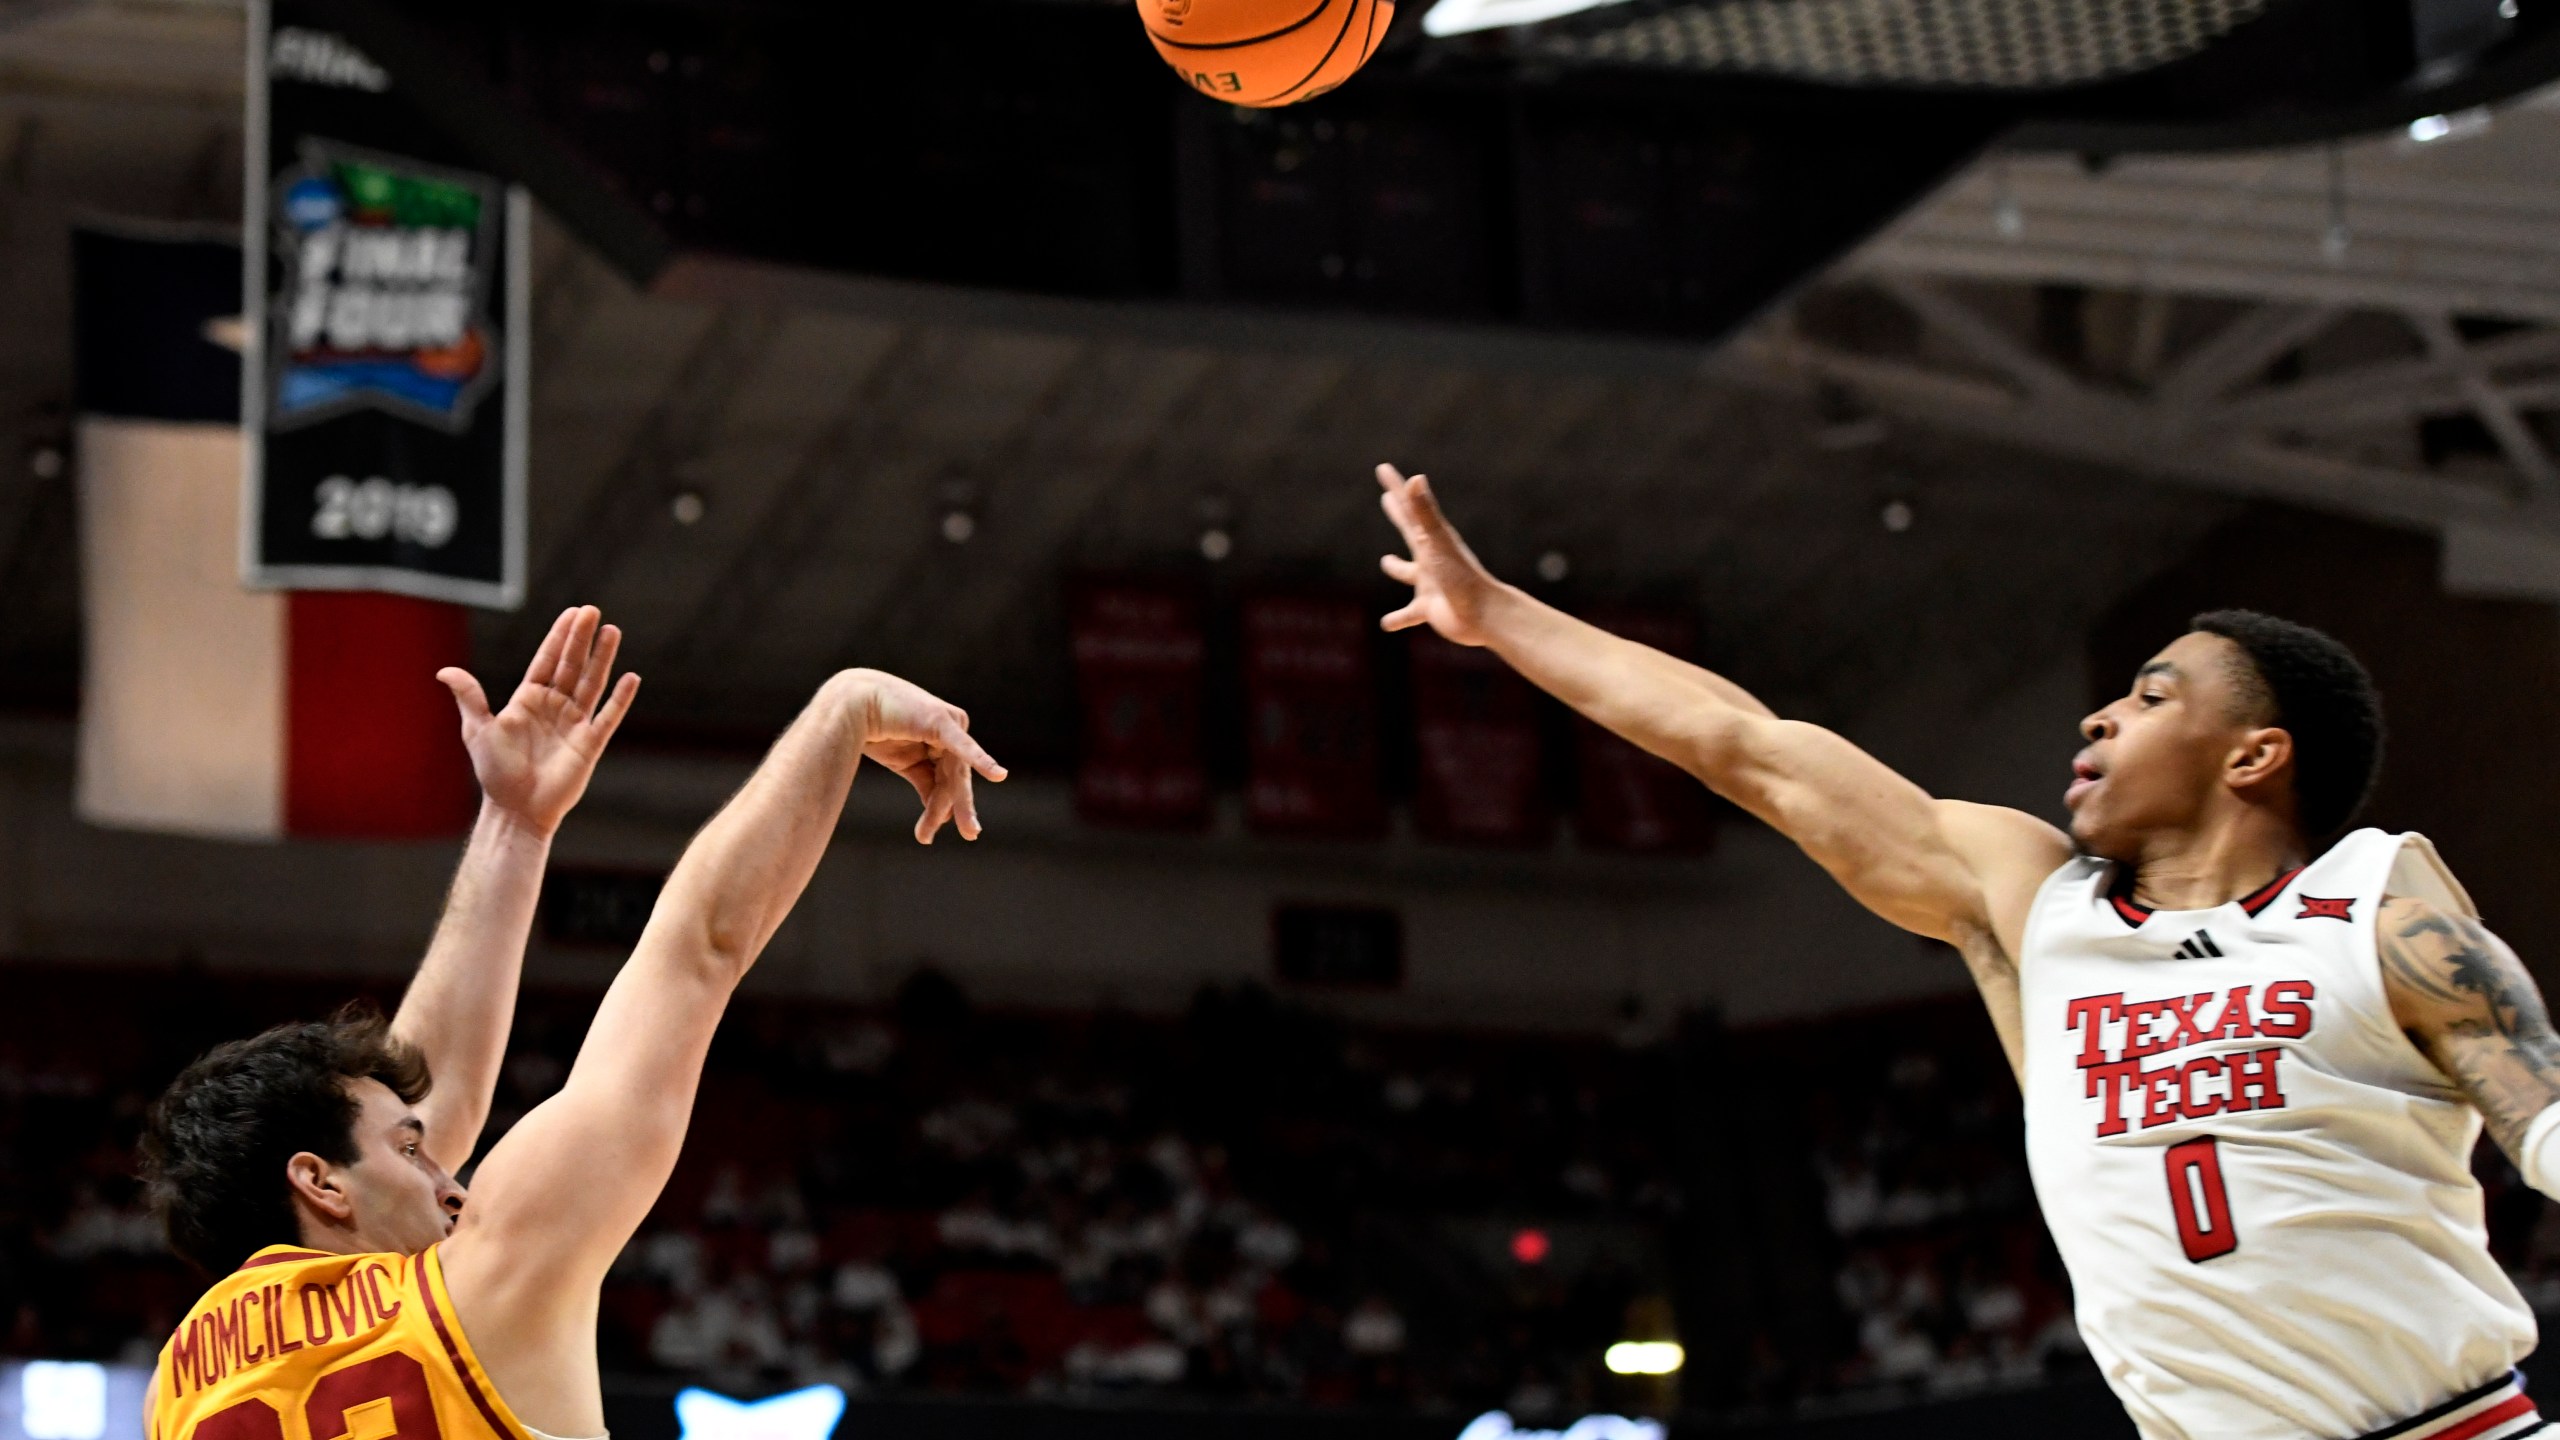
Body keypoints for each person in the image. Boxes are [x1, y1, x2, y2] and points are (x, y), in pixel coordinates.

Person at [1371, 462, 2558, 1440]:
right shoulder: (2034, 904)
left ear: (2254, 758)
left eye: (2151, 700)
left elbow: (2540, 1111)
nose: (2099, 715)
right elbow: (1751, 747)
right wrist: (1495, 619)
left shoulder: (2366, 893)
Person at [142, 614, 1004, 1440]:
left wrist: (514, 825)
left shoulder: (178, 1391)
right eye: (412, 1151)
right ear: (320, 1184)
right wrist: (841, 712)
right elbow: (698, 952)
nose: (451, 1181)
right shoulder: (482, 1285)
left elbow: (428, 1091)